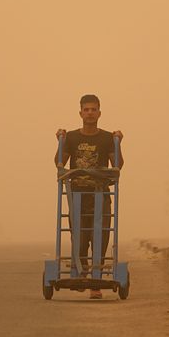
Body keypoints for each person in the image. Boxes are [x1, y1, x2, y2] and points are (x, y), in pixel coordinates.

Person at [55, 94, 124, 299]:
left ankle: (96, 280)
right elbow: (59, 163)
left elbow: (117, 166)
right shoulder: (73, 138)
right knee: (80, 235)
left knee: (101, 235)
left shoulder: (106, 138)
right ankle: (82, 272)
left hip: (100, 194)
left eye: (94, 109)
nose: (90, 113)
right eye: (86, 110)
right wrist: (60, 141)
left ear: (99, 113)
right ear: (80, 113)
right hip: (77, 194)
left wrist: (119, 143)